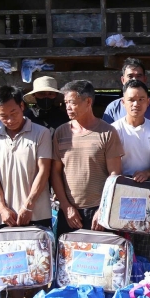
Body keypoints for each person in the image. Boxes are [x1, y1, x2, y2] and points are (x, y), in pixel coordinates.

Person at [0, 86, 53, 298]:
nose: (9, 119)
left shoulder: (41, 133)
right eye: (3, 115)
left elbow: (43, 170)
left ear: (22, 107)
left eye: (13, 112)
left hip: (37, 212)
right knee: (13, 267)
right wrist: (2, 207)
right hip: (8, 216)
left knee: (38, 265)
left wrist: (28, 205)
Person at [50, 80, 124, 235]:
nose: (67, 107)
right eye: (66, 103)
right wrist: (65, 205)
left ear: (88, 101)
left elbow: (114, 175)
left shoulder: (107, 132)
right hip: (69, 211)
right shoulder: (61, 132)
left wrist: (103, 209)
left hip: (99, 210)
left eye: (72, 102)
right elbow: (55, 172)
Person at [109, 80, 150, 262]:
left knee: (146, 252)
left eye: (141, 99)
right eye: (131, 100)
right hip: (121, 196)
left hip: (149, 196)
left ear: (148, 102)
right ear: (123, 102)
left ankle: (145, 288)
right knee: (121, 254)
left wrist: (148, 172)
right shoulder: (113, 130)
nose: (136, 104)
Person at [101, 58, 150, 124]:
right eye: (130, 76)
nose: (134, 79)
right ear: (123, 80)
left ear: (145, 79)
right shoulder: (113, 108)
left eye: (139, 76)